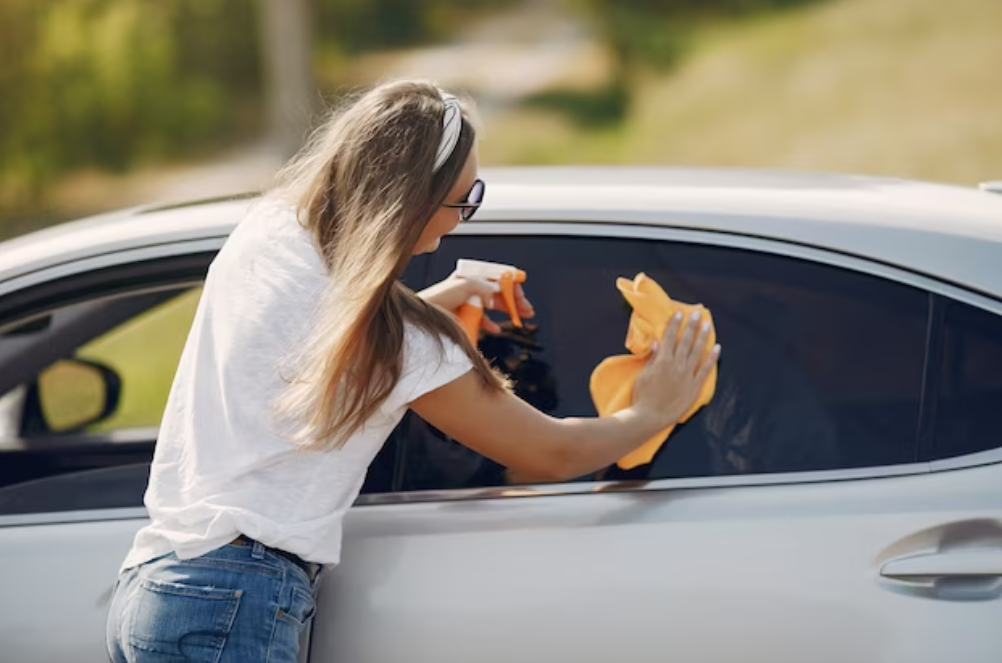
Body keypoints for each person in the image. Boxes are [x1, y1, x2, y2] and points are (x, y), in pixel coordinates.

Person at [105, 79, 720, 663]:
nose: (461, 219)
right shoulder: (406, 344)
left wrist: (440, 296)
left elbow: (315, 341)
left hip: (159, 588)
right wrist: (653, 409)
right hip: (235, 600)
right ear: (409, 202)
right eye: (463, 200)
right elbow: (551, 453)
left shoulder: (271, 233)